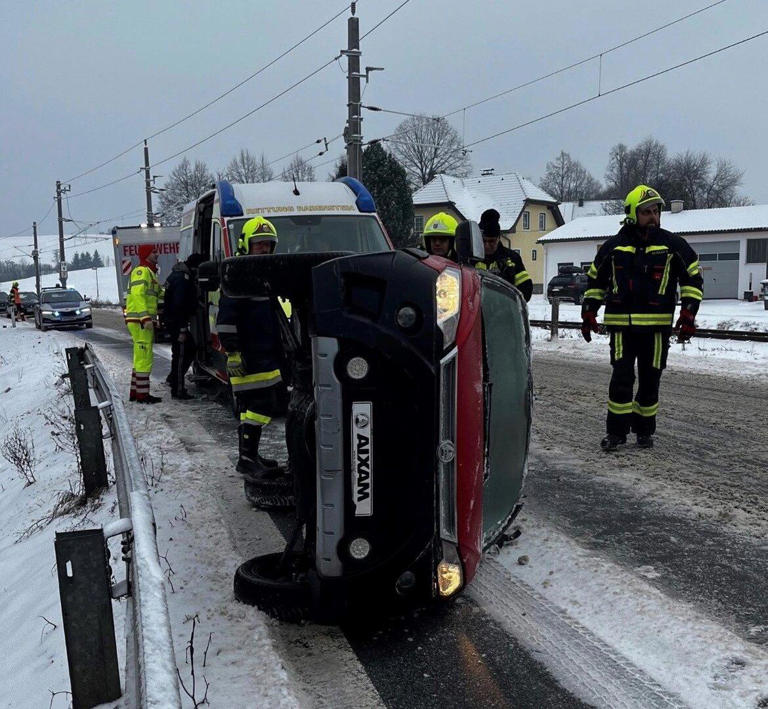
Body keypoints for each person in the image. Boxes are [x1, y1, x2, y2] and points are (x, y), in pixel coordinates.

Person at [581, 185, 703, 451]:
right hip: (622, 329)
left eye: (656, 211)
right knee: (621, 380)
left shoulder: (673, 245)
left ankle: (644, 431)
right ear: (632, 213)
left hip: (656, 330)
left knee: (650, 380)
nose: (654, 216)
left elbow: (693, 277)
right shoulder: (613, 247)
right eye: (647, 211)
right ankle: (616, 433)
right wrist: (589, 310)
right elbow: (595, 281)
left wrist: (688, 312)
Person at [216, 216, 292, 504]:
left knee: (256, 407)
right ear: (245, 245)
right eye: (258, 244)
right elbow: (226, 320)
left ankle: (249, 456)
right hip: (248, 356)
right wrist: (233, 352)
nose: (263, 249)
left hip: (266, 354)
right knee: (260, 405)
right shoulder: (238, 276)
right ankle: (247, 458)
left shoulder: (265, 277)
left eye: (267, 245)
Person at [163, 252, 205, 399]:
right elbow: (178, 305)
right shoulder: (182, 279)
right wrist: (182, 328)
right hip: (176, 323)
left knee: (190, 349)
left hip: (173, 321)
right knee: (180, 356)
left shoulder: (178, 274)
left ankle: (173, 379)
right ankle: (178, 390)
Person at [125, 244, 162, 403]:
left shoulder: (150, 273)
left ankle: (136, 392)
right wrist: (145, 318)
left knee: (140, 356)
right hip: (140, 322)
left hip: (140, 321)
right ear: (146, 254)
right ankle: (142, 395)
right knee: (144, 357)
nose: (157, 254)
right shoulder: (142, 272)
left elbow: (157, 293)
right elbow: (139, 296)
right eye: (154, 252)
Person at [475, 209, 532, 301]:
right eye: (483, 241)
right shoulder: (469, 258)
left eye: (491, 241)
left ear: (498, 238)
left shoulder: (512, 259)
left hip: (503, 312)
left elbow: (526, 292)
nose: (487, 245)